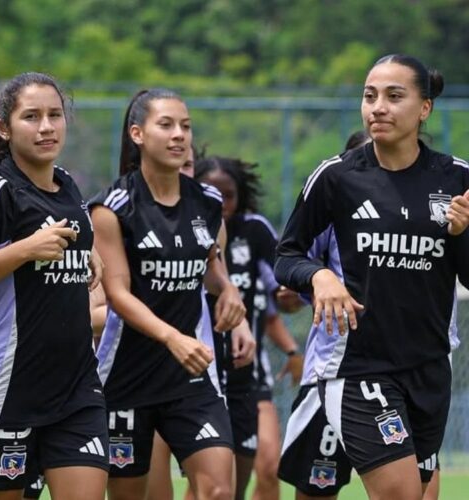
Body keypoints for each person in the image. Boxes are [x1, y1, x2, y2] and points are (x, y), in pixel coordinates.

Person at [275, 54, 469, 499]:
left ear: (424, 108)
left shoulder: (457, 177)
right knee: (399, 493)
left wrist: (463, 235)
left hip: (429, 368)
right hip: (357, 366)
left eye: (394, 96)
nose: (378, 106)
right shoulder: (337, 177)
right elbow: (287, 255)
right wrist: (319, 276)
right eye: (370, 96)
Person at [0, 72, 108, 500]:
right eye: (31, 117)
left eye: (54, 115)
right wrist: (24, 249)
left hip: (76, 389)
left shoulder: (67, 183)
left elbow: (63, 240)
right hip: (6, 390)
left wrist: (86, 254)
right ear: (4, 128)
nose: (46, 126)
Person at [91, 88, 254, 500]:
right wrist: (171, 337)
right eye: (166, 125)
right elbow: (118, 294)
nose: (179, 135)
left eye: (185, 126)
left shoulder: (208, 202)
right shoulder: (113, 208)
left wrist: (229, 290)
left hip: (192, 376)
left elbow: (211, 269)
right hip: (126, 378)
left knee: (218, 489)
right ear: (138, 134)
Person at [195, 154, 301, 500]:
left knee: (267, 468)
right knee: (208, 486)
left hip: (248, 373)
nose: (221, 203)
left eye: (229, 195)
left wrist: (293, 299)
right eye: (212, 193)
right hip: (193, 372)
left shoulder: (254, 230)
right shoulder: (183, 226)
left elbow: (281, 298)